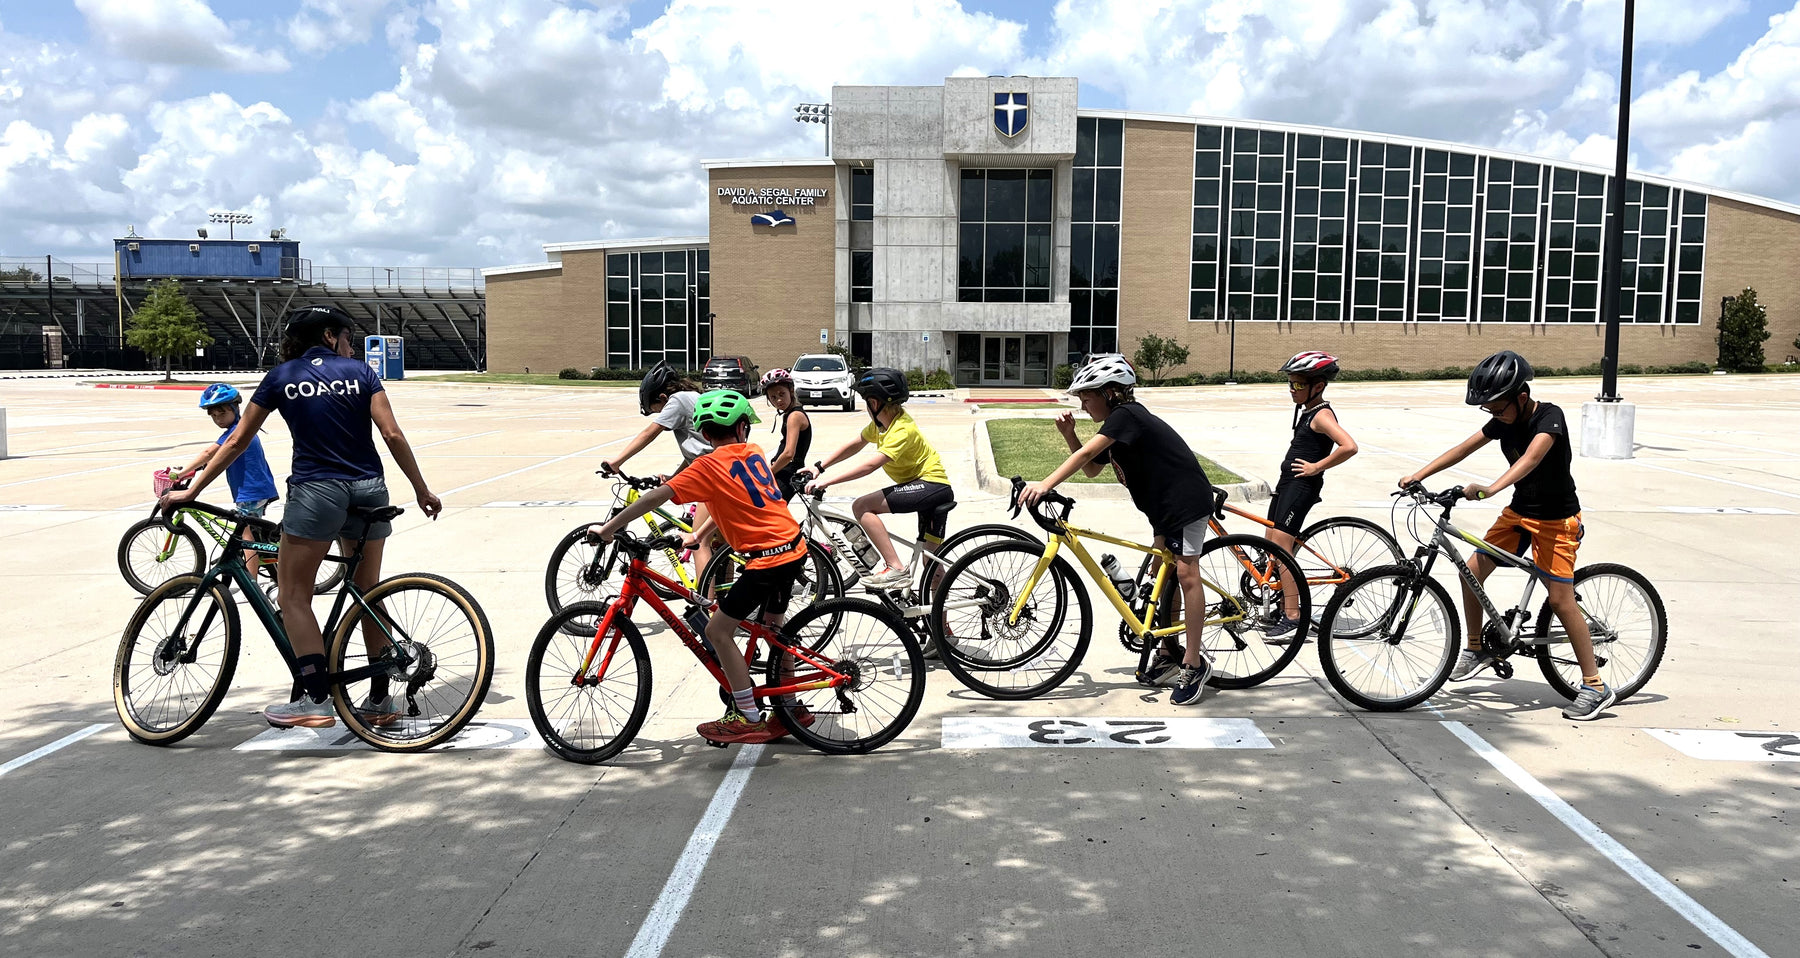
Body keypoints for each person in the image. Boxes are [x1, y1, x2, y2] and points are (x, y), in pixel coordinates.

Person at [160, 305, 443, 729]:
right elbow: (391, 434)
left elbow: (236, 440)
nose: (352, 345)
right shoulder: (362, 374)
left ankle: (314, 698)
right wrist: (421, 488)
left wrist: (193, 489)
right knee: (368, 591)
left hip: (316, 492)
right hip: (369, 488)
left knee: (293, 595)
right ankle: (381, 700)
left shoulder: (281, 376)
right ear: (329, 336)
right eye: (348, 337)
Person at [1399, 350, 1612, 721]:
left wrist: (1491, 488)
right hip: (1519, 513)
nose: (1494, 416)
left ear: (1521, 398)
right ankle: (1477, 647)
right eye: (1490, 411)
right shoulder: (1503, 420)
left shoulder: (1550, 417)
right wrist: (1420, 474)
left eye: (1498, 408)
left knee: (1561, 601)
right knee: (1470, 571)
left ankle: (1594, 685)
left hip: (1556, 521)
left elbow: (1531, 459)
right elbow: (1463, 448)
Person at [591, 390, 808, 745]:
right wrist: (699, 535)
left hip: (767, 559)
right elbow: (738, 502)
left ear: (704, 434)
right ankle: (790, 707)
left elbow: (655, 497)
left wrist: (609, 528)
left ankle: (748, 717)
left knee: (718, 632)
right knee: (774, 631)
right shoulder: (752, 453)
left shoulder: (705, 466)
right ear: (742, 429)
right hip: (792, 548)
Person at [1019, 356, 1217, 707]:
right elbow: (1094, 467)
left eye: (1087, 396)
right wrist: (1070, 436)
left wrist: (1044, 484)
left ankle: (1193, 662)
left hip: (1185, 503)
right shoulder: (1118, 422)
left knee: (1186, 574)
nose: (1082, 404)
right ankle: (1170, 653)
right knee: (1162, 577)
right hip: (1161, 509)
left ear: (1111, 393)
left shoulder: (1128, 415)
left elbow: (1086, 458)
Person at [806, 367, 952, 590]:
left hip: (931, 484)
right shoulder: (883, 426)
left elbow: (871, 465)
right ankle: (940, 625)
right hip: (927, 487)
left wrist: (826, 482)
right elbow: (856, 443)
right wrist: (820, 466)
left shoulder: (902, 430)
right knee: (931, 565)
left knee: (862, 506)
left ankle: (895, 568)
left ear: (874, 404)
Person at [1264, 352, 1359, 640]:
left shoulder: (1322, 415)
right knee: (1271, 542)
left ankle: (1293, 616)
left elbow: (1349, 446)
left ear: (1317, 386)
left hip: (1301, 487)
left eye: (1297, 384)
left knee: (1282, 546)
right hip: (1287, 484)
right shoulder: (1308, 411)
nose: (1292, 390)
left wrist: (1317, 467)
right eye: (1290, 384)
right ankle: (1284, 605)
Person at [602, 360, 719, 578]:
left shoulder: (677, 400)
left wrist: (617, 461)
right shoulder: (692, 397)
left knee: (699, 543)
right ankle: (721, 599)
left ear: (663, 398)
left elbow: (649, 433)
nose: (659, 415)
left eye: (656, 410)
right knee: (718, 543)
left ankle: (706, 608)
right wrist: (675, 476)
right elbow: (698, 451)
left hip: (712, 476)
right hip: (720, 469)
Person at [174, 383, 281, 582]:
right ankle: (268, 567)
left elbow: (209, 453)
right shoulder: (237, 430)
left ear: (235, 409)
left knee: (246, 536)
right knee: (251, 534)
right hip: (254, 490)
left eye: (221, 414)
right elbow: (215, 458)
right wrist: (196, 468)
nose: (217, 419)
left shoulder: (235, 433)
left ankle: (252, 581)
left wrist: (181, 473)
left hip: (252, 492)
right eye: (213, 416)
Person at [760, 368, 812, 501]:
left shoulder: (794, 416)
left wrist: (770, 472)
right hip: (784, 471)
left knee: (771, 515)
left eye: (782, 394)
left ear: (791, 390)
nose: (778, 400)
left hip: (787, 474)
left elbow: (789, 454)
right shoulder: (791, 414)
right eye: (773, 397)